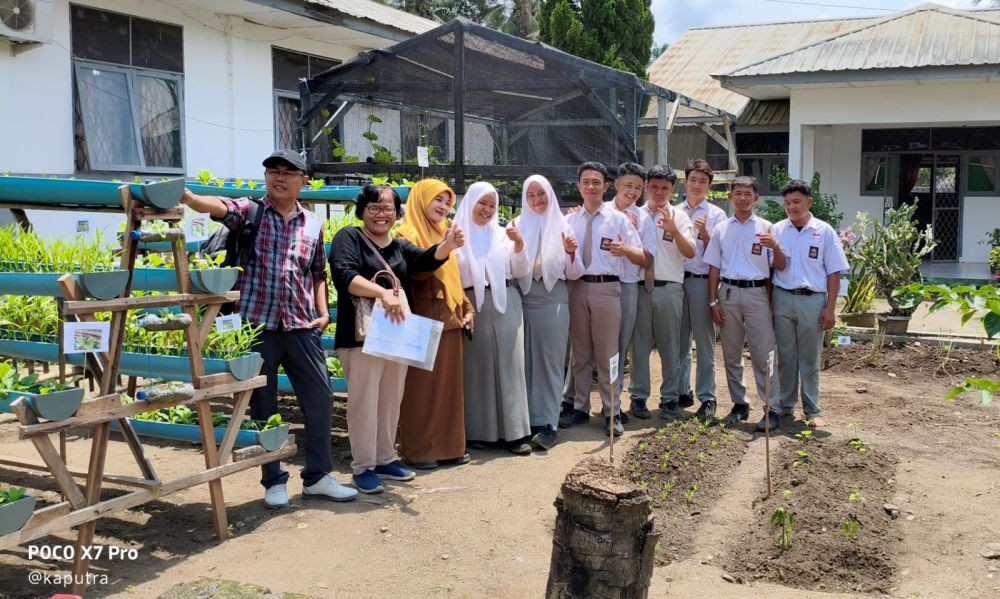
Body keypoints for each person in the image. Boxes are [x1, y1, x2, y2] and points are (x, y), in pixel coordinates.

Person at [181, 149, 356, 508]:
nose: (279, 177)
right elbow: (218, 206)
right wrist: (190, 198)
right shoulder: (251, 212)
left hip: (300, 325)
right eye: (273, 171)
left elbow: (317, 272)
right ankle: (272, 479)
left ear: (303, 180)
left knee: (320, 398)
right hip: (256, 324)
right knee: (265, 404)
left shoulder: (312, 223)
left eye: (288, 173)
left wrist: (322, 311)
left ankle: (318, 476)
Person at [329, 185, 464, 493]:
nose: (381, 214)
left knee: (390, 400)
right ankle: (363, 466)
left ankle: (385, 457)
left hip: (395, 335)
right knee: (364, 403)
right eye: (374, 208)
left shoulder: (398, 246)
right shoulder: (349, 238)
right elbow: (344, 275)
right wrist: (383, 293)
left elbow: (426, 261)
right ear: (361, 211)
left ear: (397, 213)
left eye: (388, 209)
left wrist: (448, 244)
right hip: (360, 337)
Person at [394, 178, 475, 470]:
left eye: (447, 202)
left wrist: (467, 308)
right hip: (423, 320)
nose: (443, 207)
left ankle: (451, 446)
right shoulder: (406, 234)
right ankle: (419, 450)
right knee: (422, 389)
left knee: (449, 390)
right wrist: (445, 246)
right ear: (420, 200)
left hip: (451, 321)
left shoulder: (444, 234)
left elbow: (454, 280)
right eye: (437, 200)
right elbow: (417, 269)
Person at [559, 162, 644, 437]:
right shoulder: (569, 221)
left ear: (606, 186)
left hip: (607, 289)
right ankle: (580, 407)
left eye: (597, 182)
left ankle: (612, 411)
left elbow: (641, 257)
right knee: (580, 353)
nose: (591, 187)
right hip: (577, 287)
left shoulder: (618, 219)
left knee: (608, 354)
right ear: (579, 186)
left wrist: (626, 249)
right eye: (586, 182)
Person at [453, 182, 532, 454]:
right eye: (482, 203)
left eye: (492, 205)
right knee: (477, 368)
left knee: (512, 366)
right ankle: (479, 432)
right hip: (470, 304)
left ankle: (515, 433)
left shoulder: (502, 234)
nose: (487, 210)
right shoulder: (456, 234)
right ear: (470, 202)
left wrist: (519, 243)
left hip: (506, 301)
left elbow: (520, 269)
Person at [704, 175, 786, 429]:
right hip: (728, 294)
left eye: (747, 194)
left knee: (764, 353)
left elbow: (779, 267)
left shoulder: (767, 228)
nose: (742, 198)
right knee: (731, 353)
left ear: (756, 198)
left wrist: (776, 247)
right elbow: (714, 268)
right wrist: (712, 302)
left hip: (757, 294)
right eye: (737, 193)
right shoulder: (721, 230)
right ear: (730, 197)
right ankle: (739, 403)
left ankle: (772, 407)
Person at [771, 179, 848, 428]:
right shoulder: (777, 230)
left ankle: (812, 409)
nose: (792, 207)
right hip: (782, 298)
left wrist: (830, 308)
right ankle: (785, 404)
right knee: (785, 355)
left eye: (796, 202)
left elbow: (833, 272)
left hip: (813, 300)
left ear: (809, 202)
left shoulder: (824, 231)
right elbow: (773, 268)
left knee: (810, 357)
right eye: (787, 203)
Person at [515, 175, 582, 450]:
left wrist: (570, 253)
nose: (536, 200)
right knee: (525, 362)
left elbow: (576, 273)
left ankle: (549, 423)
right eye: (530, 195)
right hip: (523, 299)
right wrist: (518, 247)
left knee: (551, 362)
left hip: (554, 299)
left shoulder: (564, 227)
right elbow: (513, 269)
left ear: (550, 195)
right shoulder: (516, 226)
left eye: (541, 194)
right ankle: (529, 420)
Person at [629, 166, 696, 421]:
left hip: (669, 288)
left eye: (665, 188)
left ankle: (670, 398)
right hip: (640, 288)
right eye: (654, 187)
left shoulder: (679, 217)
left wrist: (674, 229)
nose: (659, 192)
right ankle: (638, 397)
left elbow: (690, 252)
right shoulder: (634, 214)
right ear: (646, 186)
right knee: (639, 347)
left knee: (672, 347)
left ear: (673, 189)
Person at [676, 159, 728, 418]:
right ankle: (680, 390)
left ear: (709, 185)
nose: (697, 185)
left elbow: (720, 256)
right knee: (678, 340)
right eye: (693, 180)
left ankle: (707, 397)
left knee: (704, 342)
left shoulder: (717, 215)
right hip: (676, 281)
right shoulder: (674, 211)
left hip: (700, 281)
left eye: (703, 181)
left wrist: (706, 236)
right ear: (684, 181)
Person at [608, 163, 657, 415]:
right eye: (628, 185)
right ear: (616, 184)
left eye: (639, 187)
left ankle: (615, 405)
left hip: (628, 286)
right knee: (587, 347)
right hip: (598, 286)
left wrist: (628, 246)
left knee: (621, 345)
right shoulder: (601, 210)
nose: (633, 192)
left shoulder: (644, 218)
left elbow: (647, 259)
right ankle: (573, 400)